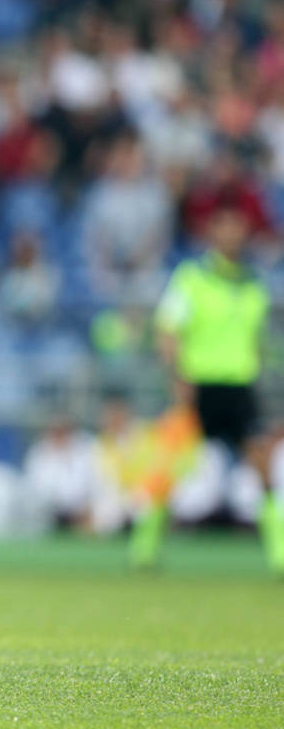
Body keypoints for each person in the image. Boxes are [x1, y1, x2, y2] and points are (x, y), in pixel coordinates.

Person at [152, 199, 283, 573]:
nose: (232, 234)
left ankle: (278, 551)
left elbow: (258, 338)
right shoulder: (191, 278)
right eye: (225, 226)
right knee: (171, 464)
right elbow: (168, 330)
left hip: (240, 385)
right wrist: (178, 377)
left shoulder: (254, 283)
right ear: (212, 232)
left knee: (262, 465)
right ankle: (145, 545)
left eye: (238, 226)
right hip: (199, 384)